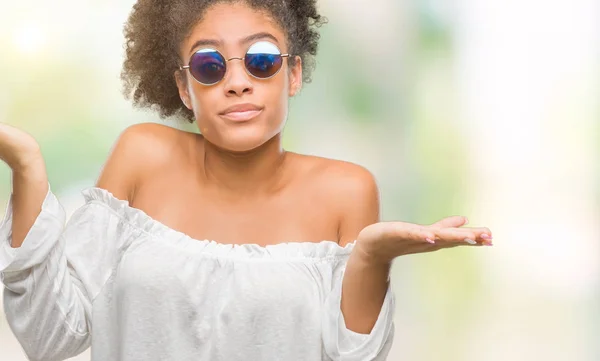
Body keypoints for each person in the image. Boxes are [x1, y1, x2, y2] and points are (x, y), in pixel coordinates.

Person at [0, 0, 493, 360]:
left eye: (260, 59)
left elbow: (352, 357)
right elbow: (52, 336)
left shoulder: (347, 189)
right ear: (185, 89)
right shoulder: (142, 155)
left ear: (293, 75)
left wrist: (371, 258)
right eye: (209, 65)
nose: (237, 82)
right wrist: (27, 166)